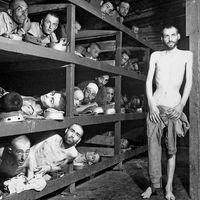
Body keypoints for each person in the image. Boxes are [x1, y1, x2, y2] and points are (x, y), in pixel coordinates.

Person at [141, 24, 193, 200]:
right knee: (153, 148)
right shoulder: (156, 55)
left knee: (171, 150)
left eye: (173, 35)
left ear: (178, 36)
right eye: (166, 36)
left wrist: (181, 106)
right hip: (156, 107)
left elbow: (189, 83)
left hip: (173, 107)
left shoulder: (187, 55)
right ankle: (153, 185)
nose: (169, 39)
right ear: (162, 38)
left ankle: (168, 187)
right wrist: (151, 104)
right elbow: (149, 82)